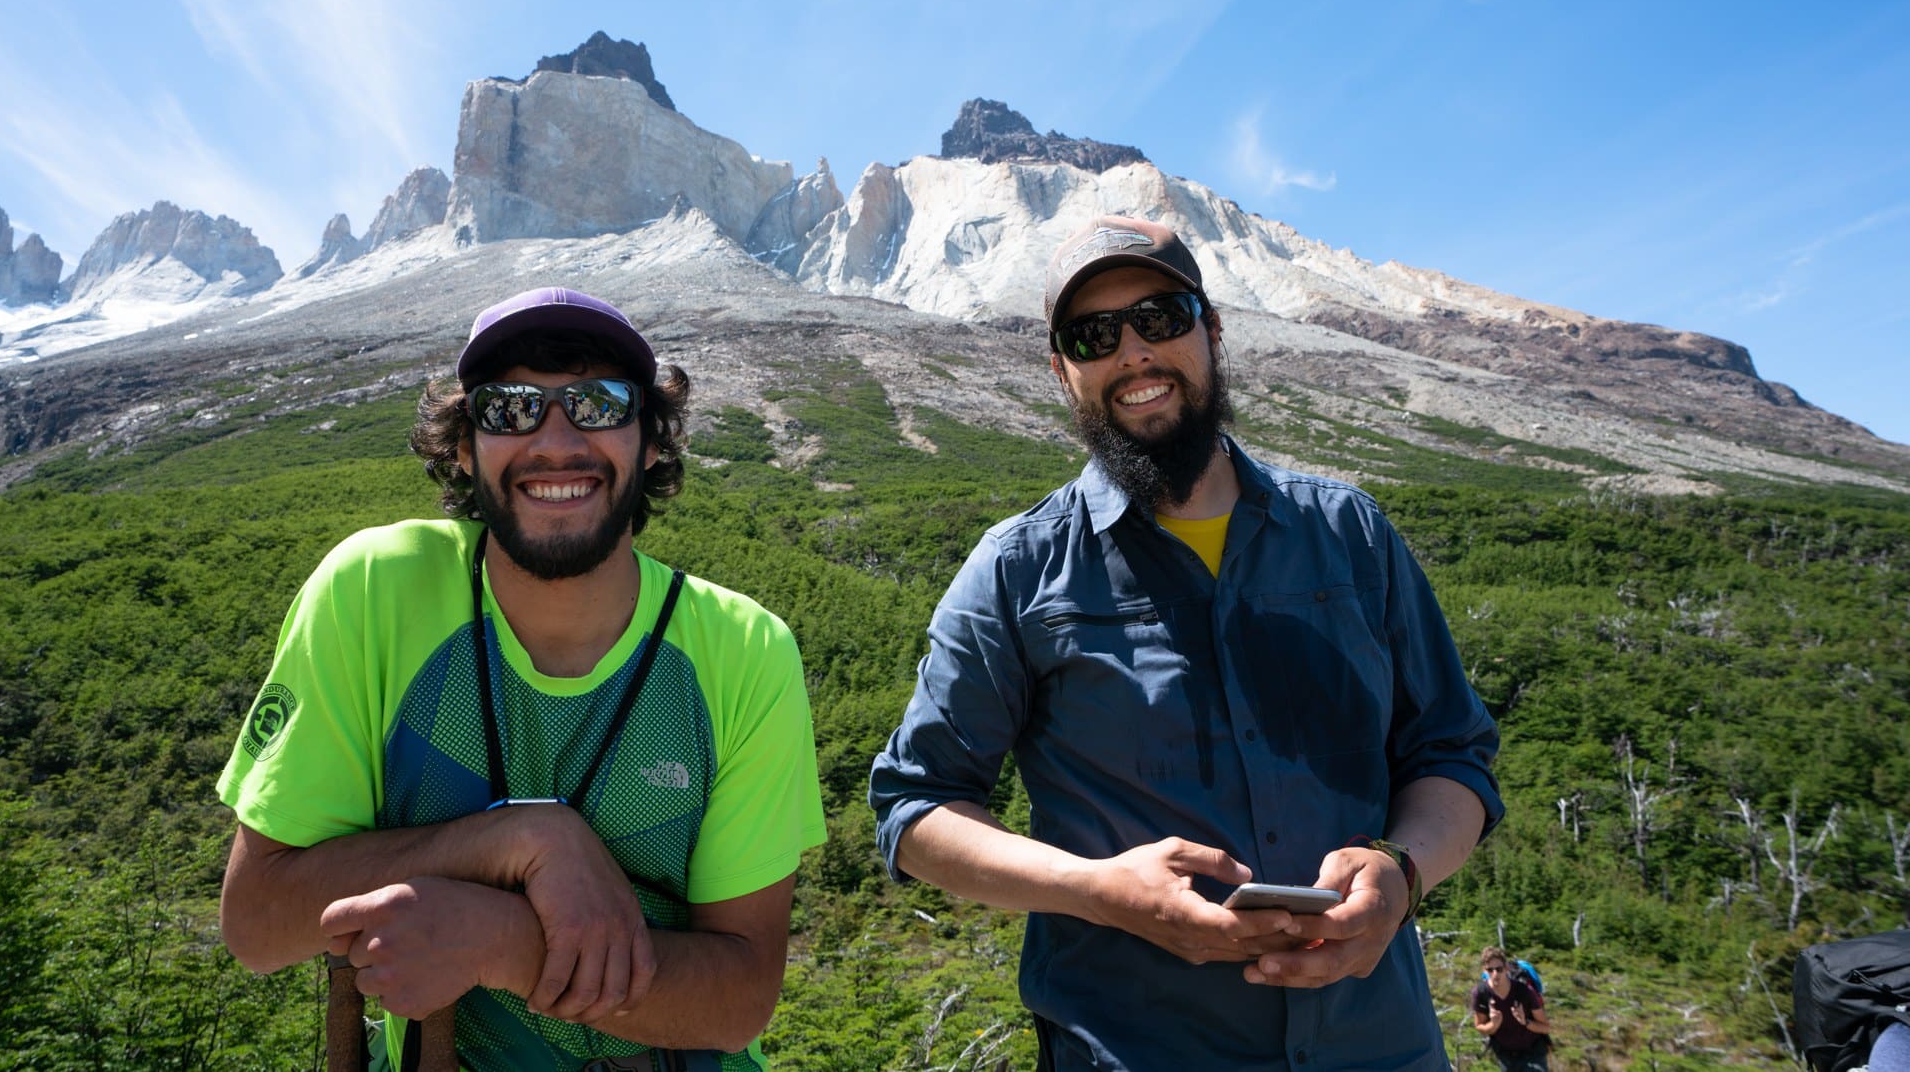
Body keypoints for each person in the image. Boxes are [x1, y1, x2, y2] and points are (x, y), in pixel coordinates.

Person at [869, 216, 1503, 1070]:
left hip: (1382, 1046)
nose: (1133, 353)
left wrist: (1404, 870)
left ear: (1212, 329)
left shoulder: (1351, 534)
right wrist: (1096, 891)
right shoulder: (1017, 570)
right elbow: (916, 807)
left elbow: (1452, 755)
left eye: (1161, 317)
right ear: (1064, 373)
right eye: (1094, 335)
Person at [218, 287, 827, 1071]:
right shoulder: (371, 591)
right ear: (465, 447)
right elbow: (260, 921)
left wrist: (500, 941)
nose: (557, 441)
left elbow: (741, 998)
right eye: (510, 409)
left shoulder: (746, 651)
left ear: (649, 443)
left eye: (600, 403)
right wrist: (519, 840)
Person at [1471, 947, 1550, 1072]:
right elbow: (1480, 1026)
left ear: (1506, 968)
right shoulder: (1481, 993)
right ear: (1484, 970)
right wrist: (1493, 1024)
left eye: (1499, 969)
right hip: (1505, 1055)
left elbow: (1546, 1027)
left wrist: (1525, 1022)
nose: (1495, 974)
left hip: (1533, 1051)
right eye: (1490, 970)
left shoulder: (1524, 991)